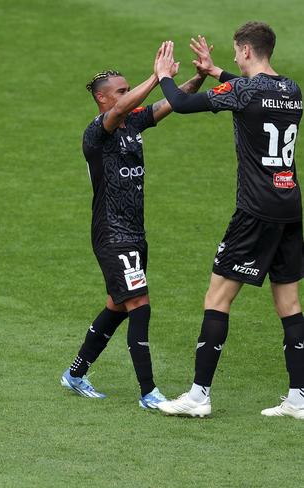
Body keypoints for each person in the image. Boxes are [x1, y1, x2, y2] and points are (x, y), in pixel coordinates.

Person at [154, 22, 304, 419]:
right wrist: (217, 71)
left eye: (237, 53)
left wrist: (165, 78)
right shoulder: (291, 90)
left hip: (254, 211)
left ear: (248, 52)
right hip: (290, 208)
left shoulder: (245, 91)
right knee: (289, 303)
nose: (235, 58)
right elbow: (255, 94)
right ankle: (299, 398)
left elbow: (184, 106)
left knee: (217, 297)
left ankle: (199, 396)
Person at [60, 43, 209, 409]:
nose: (127, 97)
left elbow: (169, 103)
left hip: (135, 233)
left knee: (117, 305)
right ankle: (148, 392)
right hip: (112, 233)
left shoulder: (133, 122)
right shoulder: (99, 130)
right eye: (121, 92)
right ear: (102, 99)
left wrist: (198, 77)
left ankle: (75, 374)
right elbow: (129, 106)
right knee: (139, 305)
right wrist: (157, 76)